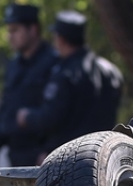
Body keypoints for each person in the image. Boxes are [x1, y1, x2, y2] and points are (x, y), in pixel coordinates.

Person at [16, 10, 122, 161]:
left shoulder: (66, 73)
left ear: (61, 39)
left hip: (68, 158)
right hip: (103, 156)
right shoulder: (110, 71)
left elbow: (51, 117)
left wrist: (27, 117)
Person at [0, 3, 59, 167]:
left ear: (32, 29)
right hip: (16, 154)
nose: (10, 36)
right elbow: (6, 107)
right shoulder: (14, 65)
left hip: (44, 155)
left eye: (15, 30)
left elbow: (59, 113)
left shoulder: (54, 63)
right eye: (9, 30)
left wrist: (50, 150)